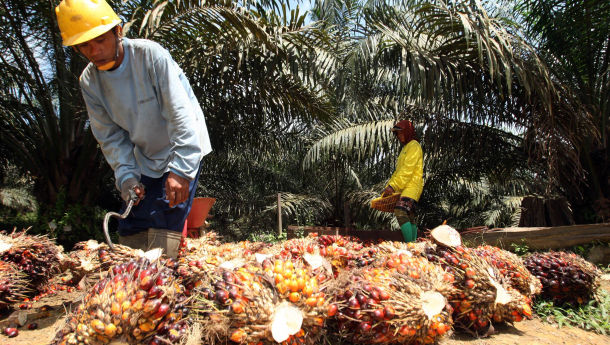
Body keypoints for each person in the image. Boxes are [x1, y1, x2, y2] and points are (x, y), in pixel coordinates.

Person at [55, 0, 212, 258]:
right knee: (132, 223)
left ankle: (163, 284)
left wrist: (182, 170)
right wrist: (127, 177)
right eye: (85, 45)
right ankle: (132, 285)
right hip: (145, 158)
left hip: (181, 148)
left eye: (100, 40)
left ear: (117, 31)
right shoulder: (90, 82)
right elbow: (110, 137)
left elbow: (180, 114)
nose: (94, 51)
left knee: (165, 220)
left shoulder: (150, 56)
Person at [381, 120, 423, 242]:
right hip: (407, 186)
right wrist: (389, 186)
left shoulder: (414, 146)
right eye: (397, 134)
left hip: (412, 185)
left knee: (400, 211)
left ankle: (410, 244)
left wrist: (393, 186)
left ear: (407, 132)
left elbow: (407, 170)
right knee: (410, 216)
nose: (399, 136)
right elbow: (398, 172)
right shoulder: (406, 148)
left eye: (400, 133)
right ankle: (414, 244)